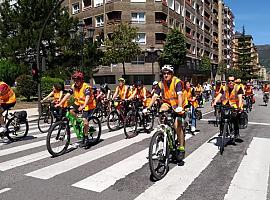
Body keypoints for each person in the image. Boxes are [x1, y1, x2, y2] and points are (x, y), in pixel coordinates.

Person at [144, 64, 185, 160]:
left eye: (168, 73)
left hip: (178, 105)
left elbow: (179, 95)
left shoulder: (177, 82)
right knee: (161, 112)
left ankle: (181, 147)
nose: (166, 75)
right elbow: (155, 96)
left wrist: (179, 107)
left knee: (177, 125)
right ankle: (161, 141)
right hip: (167, 104)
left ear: (172, 74)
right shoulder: (161, 83)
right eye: (164, 73)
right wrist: (148, 107)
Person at [56, 71, 96, 148]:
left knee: (85, 120)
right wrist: (60, 103)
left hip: (88, 105)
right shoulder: (74, 86)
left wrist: (84, 105)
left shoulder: (86, 87)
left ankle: (86, 137)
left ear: (81, 80)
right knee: (70, 111)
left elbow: (87, 97)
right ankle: (78, 120)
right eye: (75, 80)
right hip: (78, 103)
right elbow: (68, 94)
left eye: (78, 80)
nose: (76, 82)